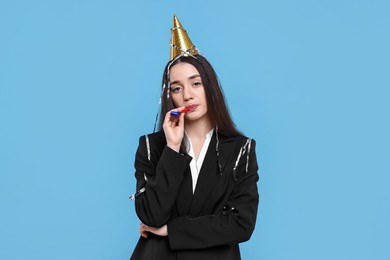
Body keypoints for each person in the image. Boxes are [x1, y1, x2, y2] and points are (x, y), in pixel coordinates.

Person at [130, 15, 259, 260]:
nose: (188, 95)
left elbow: (241, 223)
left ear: (210, 87)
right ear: (170, 97)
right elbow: (151, 216)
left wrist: (171, 230)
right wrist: (172, 147)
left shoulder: (241, 150)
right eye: (177, 88)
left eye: (196, 83)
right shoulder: (151, 147)